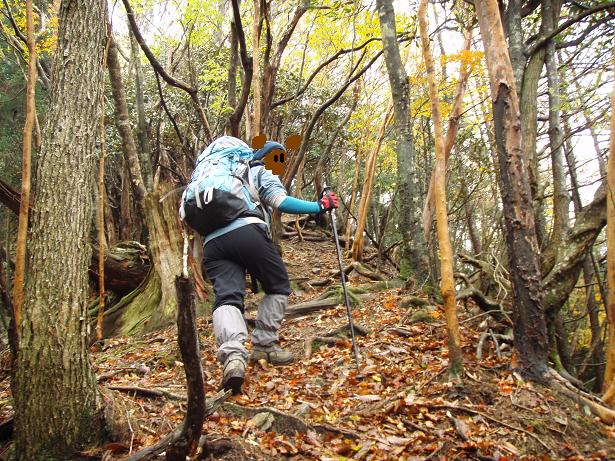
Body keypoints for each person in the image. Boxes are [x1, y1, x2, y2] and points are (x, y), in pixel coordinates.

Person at [197, 136, 338, 395]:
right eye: (277, 158)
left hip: (212, 243)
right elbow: (280, 202)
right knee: (279, 285)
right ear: (262, 155)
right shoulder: (258, 171)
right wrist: (320, 206)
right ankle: (264, 345)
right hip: (247, 231)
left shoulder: (220, 172)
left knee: (227, 295)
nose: (278, 163)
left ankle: (233, 357)